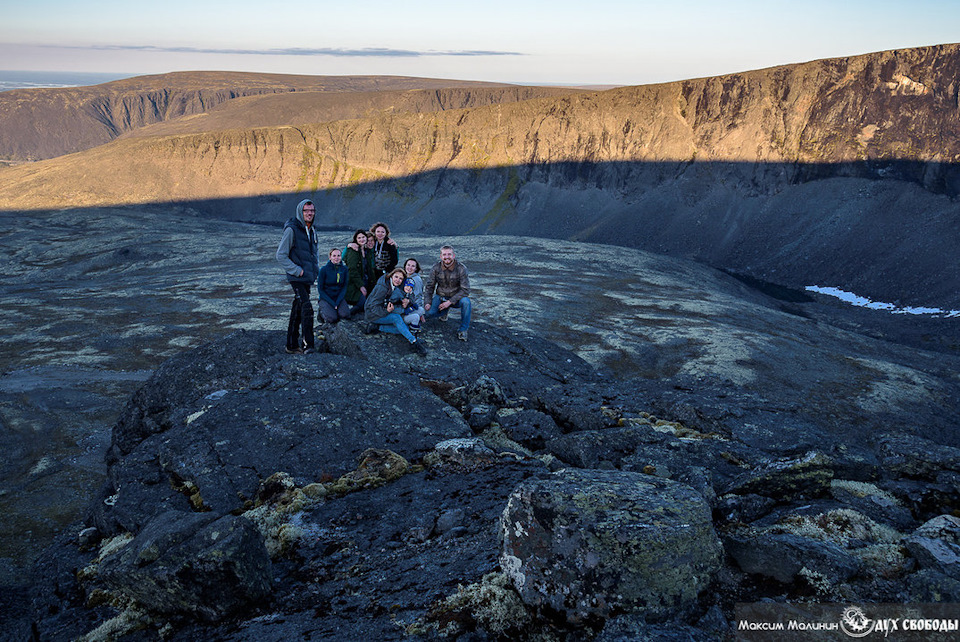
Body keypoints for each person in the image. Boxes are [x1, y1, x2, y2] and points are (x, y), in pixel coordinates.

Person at [276, 199, 320, 354]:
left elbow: (313, 254)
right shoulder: (292, 230)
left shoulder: (312, 230)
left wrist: (315, 271)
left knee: (298, 308)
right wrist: (297, 271)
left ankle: (291, 345)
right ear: (300, 211)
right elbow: (281, 255)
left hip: (307, 277)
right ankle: (309, 346)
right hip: (297, 277)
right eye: (306, 211)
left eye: (312, 211)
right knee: (307, 308)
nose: (309, 213)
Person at [364, 268, 427, 355]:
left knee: (404, 329)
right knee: (396, 318)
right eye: (396, 277)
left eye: (400, 278)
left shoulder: (398, 284)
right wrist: (387, 311)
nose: (398, 280)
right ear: (391, 276)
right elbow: (372, 307)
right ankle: (414, 342)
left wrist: (408, 301)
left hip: (385, 311)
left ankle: (377, 327)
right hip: (373, 314)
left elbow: (411, 294)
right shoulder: (382, 288)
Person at [424, 245, 472, 341]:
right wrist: (427, 302)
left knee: (467, 302)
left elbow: (465, 290)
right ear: (441, 256)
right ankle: (444, 313)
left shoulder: (461, 268)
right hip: (441, 296)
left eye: (449, 254)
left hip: (456, 298)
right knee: (429, 314)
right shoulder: (435, 268)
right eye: (444, 254)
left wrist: (449, 302)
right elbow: (430, 286)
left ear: (453, 255)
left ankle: (463, 330)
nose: (447, 257)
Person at [344, 229, 373, 316]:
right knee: (362, 304)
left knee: (369, 304)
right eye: (359, 238)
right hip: (354, 284)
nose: (361, 239)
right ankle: (346, 314)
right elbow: (352, 270)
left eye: (363, 237)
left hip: (366, 281)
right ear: (356, 239)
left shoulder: (366, 251)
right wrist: (361, 286)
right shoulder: (353, 251)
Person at [317, 248, 350, 323]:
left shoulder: (344, 269)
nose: (336, 258)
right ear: (330, 257)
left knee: (345, 315)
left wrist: (338, 302)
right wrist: (333, 303)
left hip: (338, 297)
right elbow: (320, 290)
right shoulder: (324, 270)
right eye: (334, 256)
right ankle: (321, 312)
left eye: (338, 255)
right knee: (332, 319)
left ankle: (334, 309)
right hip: (326, 297)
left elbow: (344, 287)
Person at [401, 257, 425, 333]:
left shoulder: (416, 279)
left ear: (416, 268)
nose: (410, 268)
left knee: (419, 312)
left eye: (413, 266)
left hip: (410, 306)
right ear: (405, 266)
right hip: (404, 306)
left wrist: (420, 311)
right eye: (408, 265)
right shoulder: (405, 277)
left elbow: (418, 296)